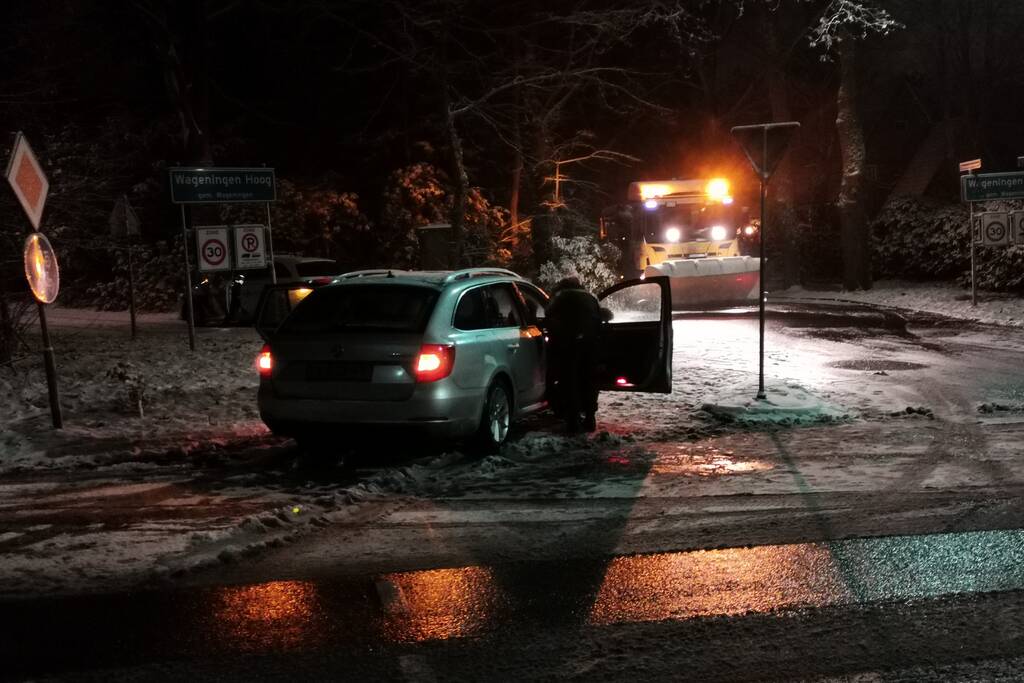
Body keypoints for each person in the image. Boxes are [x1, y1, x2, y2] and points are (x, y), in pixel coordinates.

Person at [545, 276, 604, 433]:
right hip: (591, 345)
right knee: (589, 380)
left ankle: (573, 420)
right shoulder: (590, 297)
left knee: (570, 381)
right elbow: (600, 318)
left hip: (568, 346)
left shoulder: (560, 297)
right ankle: (590, 418)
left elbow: (548, 315)